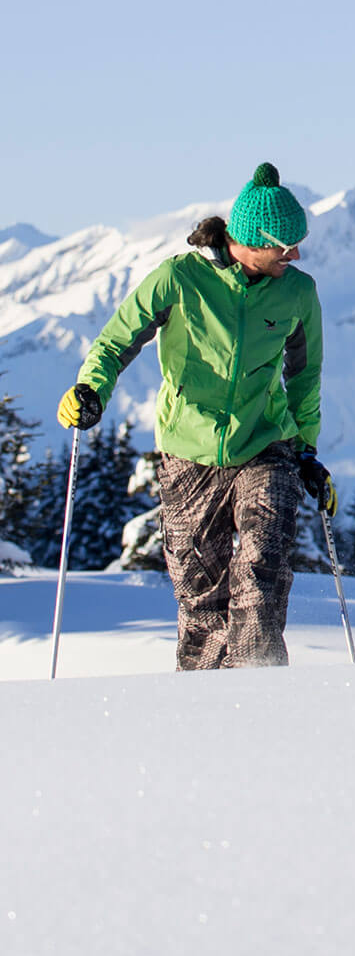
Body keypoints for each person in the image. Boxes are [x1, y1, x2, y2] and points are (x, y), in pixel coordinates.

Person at [55, 162, 331, 669]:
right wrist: (90, 389)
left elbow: (305, 375)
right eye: (285, 246)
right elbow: (116, 341)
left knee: (263, 569)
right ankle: (205, 702)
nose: (294, 255)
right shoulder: (179, 279)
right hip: (187, 452)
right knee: (201, 597)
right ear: (251, 241)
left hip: (265, 443)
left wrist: (306, 449)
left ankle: (262, 684)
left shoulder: (297, 292)